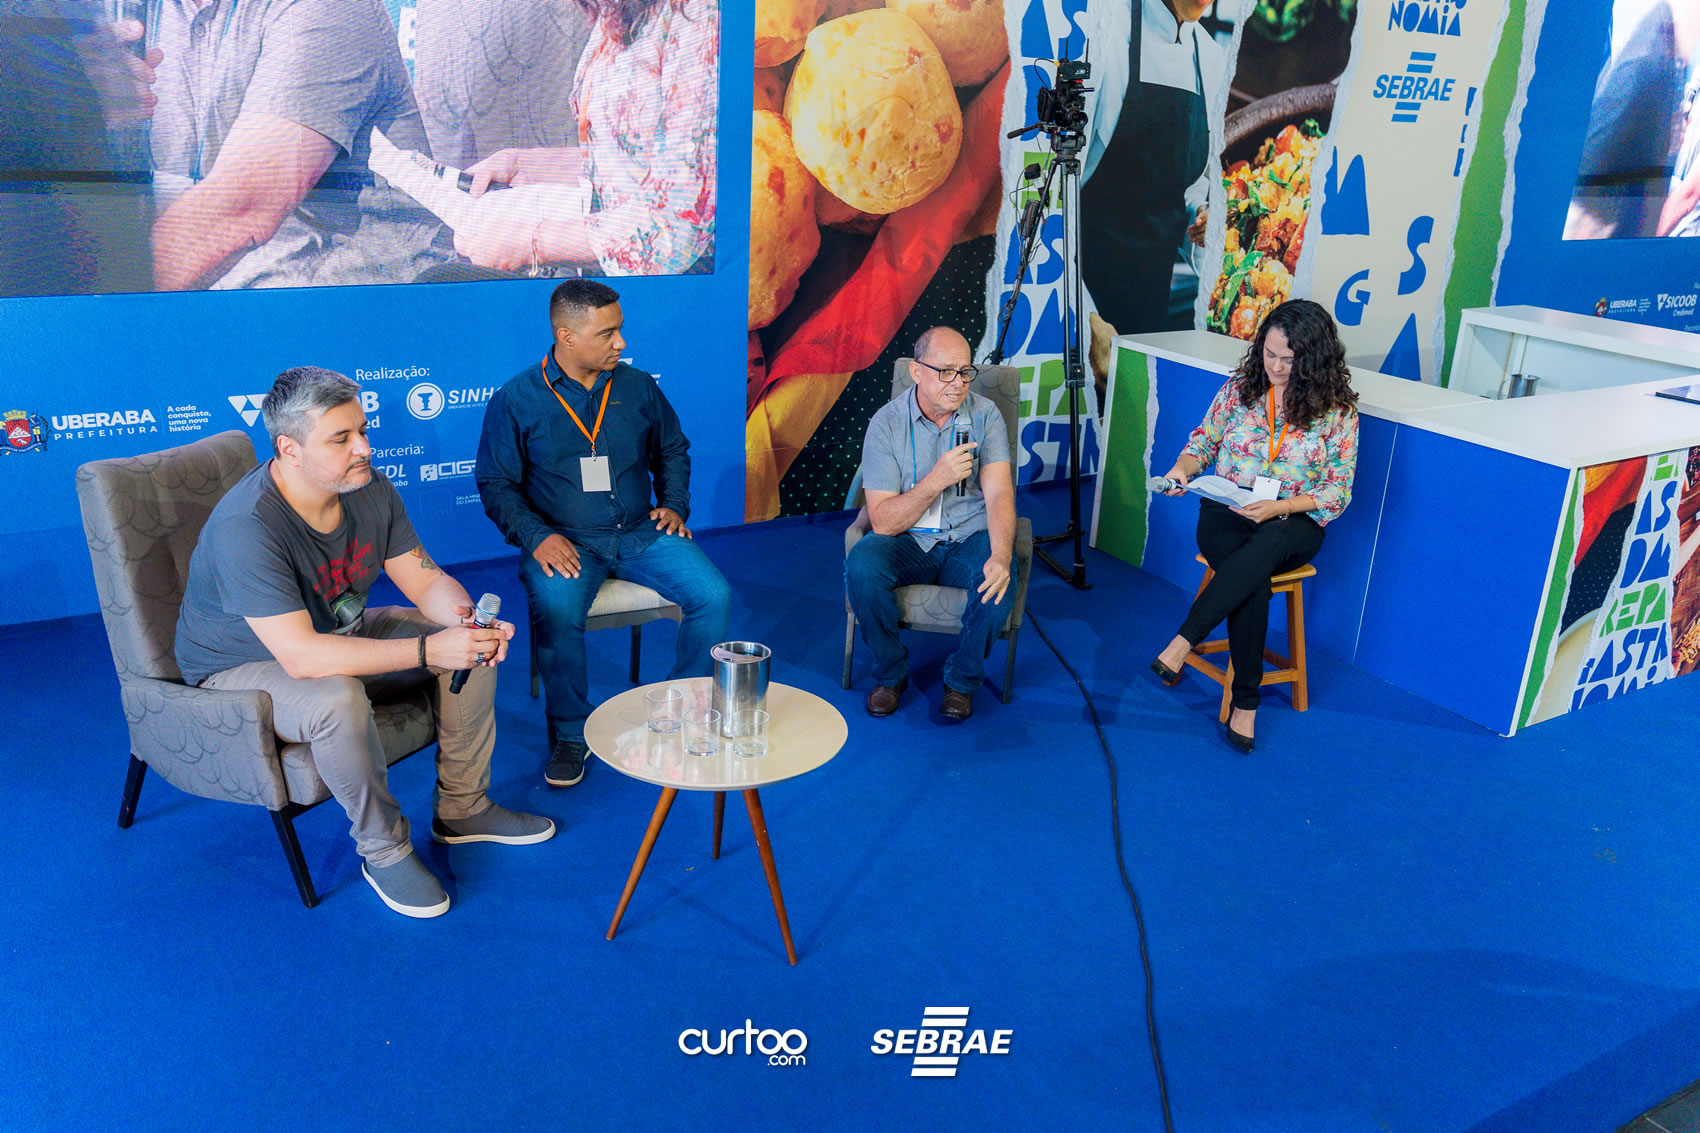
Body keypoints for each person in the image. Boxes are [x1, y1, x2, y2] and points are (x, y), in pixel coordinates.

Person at [175, 367, 554, 920]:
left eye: (363, 430)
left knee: (468, 646)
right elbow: (302, 656)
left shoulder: (367, 485)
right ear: (289, 448)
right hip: (241, 666)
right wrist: (430, 651)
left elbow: (424, 579)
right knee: (337, 697)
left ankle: (463, 808)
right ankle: (384, 851)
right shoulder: (247, 526)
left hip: (335, 632)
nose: (365, 448)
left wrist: (467, 622)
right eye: (342, 438)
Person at [475, 279, 731, 786]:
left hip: (640, 531)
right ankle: (571, 733)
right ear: (566, 336)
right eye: (607, 333)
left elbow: (672, 449)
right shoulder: (516, 399)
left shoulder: (638, 386)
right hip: (565, 541)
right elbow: (496, 483)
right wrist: (536, 536)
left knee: (714, 595)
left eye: (620, 330)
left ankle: (683, 706)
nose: (621, 343)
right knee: (557, 611)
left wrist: (674, 504)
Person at [1148, 299, 1359, 753]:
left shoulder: (1337, 412)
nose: (1276, 367)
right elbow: (1202, 443)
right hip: (1227, 508)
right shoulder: (1239, 389)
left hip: (1294, 520)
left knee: (1263, 551)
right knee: (1252, 577)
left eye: (1289, 359)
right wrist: (1182, 470)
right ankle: (1246, 703)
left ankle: (1184, 641)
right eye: (1269, 354)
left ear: (1314, 358)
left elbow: (1337, 491)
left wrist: (1280, 507)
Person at [147, 0, 448, 289]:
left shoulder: (329, 7)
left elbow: (243, 209)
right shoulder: (132, 13)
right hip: (216, 290)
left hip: (339, 292)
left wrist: (121, 291)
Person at [451, 0, 719, 276]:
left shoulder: (702, 15)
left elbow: (676, 221)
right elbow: (629, 157)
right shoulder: (619, 12)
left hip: (691, 281)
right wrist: (522, 164)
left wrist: (530, 243)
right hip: (620, 270)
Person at [845, 326, 1018, 721]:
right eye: (946, 372)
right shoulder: (886, 423)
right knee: (863, 565)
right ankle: (891, 674)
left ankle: (961, 682)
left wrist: (1000, 555)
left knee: (1000, 583)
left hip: (969, 535)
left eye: (965, 371)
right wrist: (936, 479)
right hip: (908, 538)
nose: (958, 383)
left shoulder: (985, 414)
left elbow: (999, 494)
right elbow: (883, 522)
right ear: (917, 371)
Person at [1078, 0, 1227, 334]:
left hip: (1150, 310)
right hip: (1080, 298)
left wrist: (1201, 217)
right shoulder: (1106, 31)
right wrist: (1085, 317)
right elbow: (1058, 195)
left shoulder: (1210, 57)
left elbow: (1187, 188)